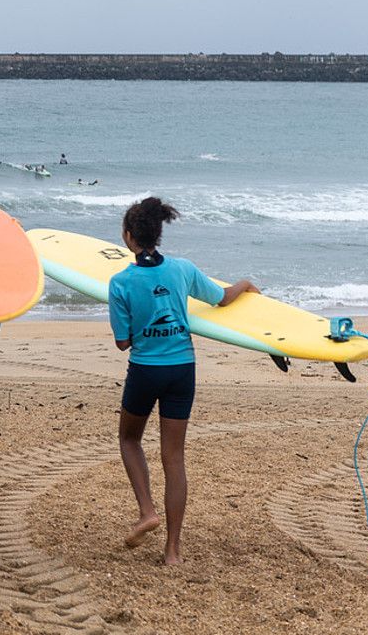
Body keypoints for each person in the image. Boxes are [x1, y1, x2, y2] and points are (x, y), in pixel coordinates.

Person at [110, 197, 257, 565]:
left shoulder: (121, 282)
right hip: (182, 369)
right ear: (158, 234)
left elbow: (122, 342)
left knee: (129, 439)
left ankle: (147, 511)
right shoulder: (182, 270)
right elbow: (222, 299)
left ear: (129, 237)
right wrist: (244, 284)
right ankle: (172, 551)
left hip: (145, 369)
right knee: (174, 458)